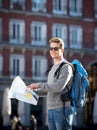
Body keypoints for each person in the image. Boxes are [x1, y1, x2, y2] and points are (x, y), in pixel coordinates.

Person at [28, 37, 74, 130]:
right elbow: (50, 90)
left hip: (62, 109)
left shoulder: (66, 67)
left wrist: (39, 85)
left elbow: (58, 87)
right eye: (51, 48)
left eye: (56, 48)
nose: (53, 51)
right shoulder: (52, 68)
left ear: (62, 50)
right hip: (51, 109)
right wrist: (32, 92)